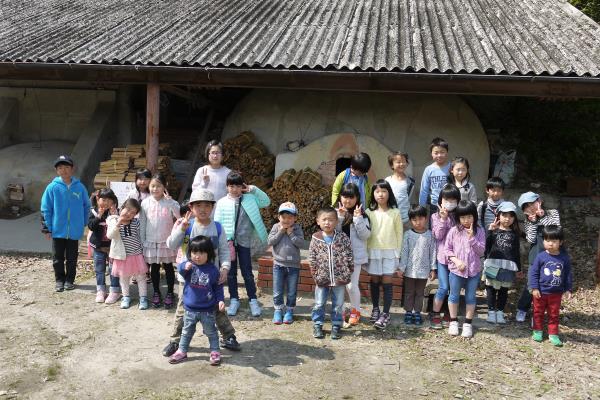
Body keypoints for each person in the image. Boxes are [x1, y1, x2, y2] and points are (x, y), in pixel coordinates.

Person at [162, 189, 240, 357]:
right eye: (198, 205)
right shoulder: (186, 225)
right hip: (189, 278)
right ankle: (175, 341)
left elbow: (225, 251)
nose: (203, 209)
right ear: (191, 207)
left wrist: (225, 268)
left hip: (212, 278)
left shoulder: (217, 228)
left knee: (217, 307)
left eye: (207, 205)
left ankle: (229, 336)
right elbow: (171, 244)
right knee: (183, 309)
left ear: (212, 207)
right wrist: (181, 229)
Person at [214, 170, 270, 317]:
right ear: (227, 187)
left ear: (242, 186)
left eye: (238, 186)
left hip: (245, 240)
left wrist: (253, 189)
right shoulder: (221, 203)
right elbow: (217, 224)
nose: (235, 189)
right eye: (231, 186)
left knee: (247, 272)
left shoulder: (250, 198)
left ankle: (253, 300)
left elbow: (266, 201)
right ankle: (234, 299)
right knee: (231, 273)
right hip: (228, 243)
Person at [169, 236, 224, 365]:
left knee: (211, 332)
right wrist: (184, 265)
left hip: (207, 310)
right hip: (190, 309)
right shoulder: (190, 267)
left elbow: (218, 287)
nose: (197, 256)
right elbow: (181, 270)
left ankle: (215, 351)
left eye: (201, 253)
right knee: (186, 331)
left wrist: (220, 300)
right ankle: (182, 351)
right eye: (194, 253)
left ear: (209, 254)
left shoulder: (213, 270)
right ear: (190, 253)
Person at [41, 155, 91, 292]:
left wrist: (84, 222)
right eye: (60, 167)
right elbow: (46, 208)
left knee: (72, 258)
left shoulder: (80, 187)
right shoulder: (52, 188)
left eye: (67, 167)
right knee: (57, 258)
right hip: (58, 230)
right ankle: (59, 280)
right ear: (56, 170)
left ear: (72, 169)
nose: (64, 170)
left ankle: (69, 280)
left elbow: (87, 206)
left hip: (74, 230)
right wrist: (47, 228)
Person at [515, 192, 561, 323]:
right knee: (531, 285)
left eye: (532, 204)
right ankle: (522, 309)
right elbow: (530, 239)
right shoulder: (528, 220)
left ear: (539, 201)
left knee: (547, 285)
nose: (530, 208)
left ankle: (538, 314)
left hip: (552, 257)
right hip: (535, 257)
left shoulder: (553, 213)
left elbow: (556, 231)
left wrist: (542, 217)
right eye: (526, 207)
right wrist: (533, 222)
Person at [309, 206, 354, 339]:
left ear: (336, 222)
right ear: (318, 221)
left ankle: (336, 326)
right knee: (319, 303)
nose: (327, 223)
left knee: (338, 304)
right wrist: (315, 273)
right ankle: (317, 325)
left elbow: (349, 253)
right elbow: (312, 257)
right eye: (324, 220)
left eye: (331, 220)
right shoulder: (316, 238)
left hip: (339, 277)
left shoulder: (342, 237)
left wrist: (349, 269)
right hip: (321, 278)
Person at [365, 179, 402, 329]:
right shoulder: (368, 212)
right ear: (373, 194)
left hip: (390, 251)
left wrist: (398, 254)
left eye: (384, 191)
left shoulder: (395, 212)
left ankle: (386, 313)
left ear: (389, 193)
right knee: (374, 280)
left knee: (387, 281)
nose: (381, 194)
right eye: (377, 191)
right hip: (373, 251)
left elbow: (399, 234)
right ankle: (375, 308)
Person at [139, 173, 180, 308]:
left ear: (164, 187)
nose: (155, 189)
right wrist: (142, 240)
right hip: (150, 241)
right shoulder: (145, 203)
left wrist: (170, 202)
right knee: (154, 268)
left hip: (166, 241)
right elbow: (143, 222)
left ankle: (170, 292)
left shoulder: (170, 202)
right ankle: (156, 292)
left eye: (158, 186)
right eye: (152, 186)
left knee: (168, 267)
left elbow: (179, 216)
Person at [445, 200, 486, 338]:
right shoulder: (454, 231)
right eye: (462, 217)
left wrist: (472, 238)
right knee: (454, 295)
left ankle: (468, 323)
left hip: (473, 270)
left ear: (474, 215)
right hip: (456, 271)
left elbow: (481, 252)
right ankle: (453, 321)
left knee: (470, 296)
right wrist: (456, 261)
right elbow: (447, 250)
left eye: (469, 216)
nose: (466, 220)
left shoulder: (479, 231)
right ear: (458, 218)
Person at [529, 225, 572, 347]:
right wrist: (534, 287)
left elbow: (568, 274)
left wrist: (568, 289)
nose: (550, 244)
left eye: (554, 241)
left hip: (556, 293)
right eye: (547, 240)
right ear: (543, 241)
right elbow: (534, 273)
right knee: (538, 312)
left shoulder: (564, 258)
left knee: (554, 314)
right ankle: (537, 331)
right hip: (540, 292)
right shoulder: (540, 256)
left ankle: (553, 334)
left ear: (561, 242)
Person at [335, 183, 371, 326]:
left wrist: (357, 219)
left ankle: (355, 311)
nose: (347, 200)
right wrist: (340, 217)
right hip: (339, 256)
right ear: (340, 197)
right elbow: (334, 233)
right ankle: (341, 311)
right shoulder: (336, 212)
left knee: (351, 286)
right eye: (345, 196)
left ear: (357, 198)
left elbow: (365, 236)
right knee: (339, 285)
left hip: (355, 257)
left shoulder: (362, 215)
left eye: (351, 197)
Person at [106, 199, 149, 310]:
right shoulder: (113, 221)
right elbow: (110, 236)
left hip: (136, 255)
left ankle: (143, 298)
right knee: (124, 278)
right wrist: (118, 223)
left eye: (133, 212)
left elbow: (141, 236)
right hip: (122, 257)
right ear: (122, 207)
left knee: (141, 277)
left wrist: (144, 250)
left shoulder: (136, 222)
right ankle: (126, 297)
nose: (129, 214)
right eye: (128, 210)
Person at [429, 184, 461, 329]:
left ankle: (449, 312)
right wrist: (443, 219)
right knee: (443, 287)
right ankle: (435, 313)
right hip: (442, 259)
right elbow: (438, 235)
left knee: (454, 288)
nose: (449, 202)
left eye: (453, 200)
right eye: (446, 199)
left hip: (457, 259)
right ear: (440, 200)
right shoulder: (435, 216)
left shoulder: (460, 216)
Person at [268, 202, 306, 325]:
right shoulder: (275, 227)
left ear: (295, 218)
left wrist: (290, 233)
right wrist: (281, 232)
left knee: (291, 290)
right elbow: (271, 241)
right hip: (278, 264)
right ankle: (278, 310)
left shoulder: (297, 228)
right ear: (279, 217)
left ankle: (289, 310)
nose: (286, 220)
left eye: (290, 217)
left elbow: (301, 243)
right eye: (284, 217)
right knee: (277, 290)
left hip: (293, 265)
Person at [483, 201, 521, 324]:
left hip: (507, 266)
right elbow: (486, 247)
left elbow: (516, 252)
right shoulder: (493, 230)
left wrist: (519, 269)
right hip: (492, 263)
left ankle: (500, 312)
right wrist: (489, 231)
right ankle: (491, 312)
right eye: (504, 215)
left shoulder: (514, 234)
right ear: (498, 215)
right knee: (490, 289)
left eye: (511, 216)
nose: (507, 219)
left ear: (514, 218)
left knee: (504, 290)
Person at [398, 205, 436, 325]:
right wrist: (401, 267)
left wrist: (433, 268)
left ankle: (417, 312)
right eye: (414, 219)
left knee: (420, 292)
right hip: (410, 269)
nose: (418, 222)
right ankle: (408, 311)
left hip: (424, 270)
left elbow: (433, 252)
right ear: (410, 221)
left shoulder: (430, 235)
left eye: (420, 219)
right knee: (409, 291)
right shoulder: (408, 234)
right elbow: (404, 252)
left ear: (426, 218)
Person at [88, 188, 121, 303]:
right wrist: (98, 216)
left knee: (114, 269)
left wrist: (114, 215)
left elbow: (119, 227)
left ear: (113, 201)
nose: (106, 203)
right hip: (99, 247)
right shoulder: (94, 211)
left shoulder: (117, 212)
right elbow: (91, 226)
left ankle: (114, 291)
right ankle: (101, 290)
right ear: (98, 199)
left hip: (113, 247)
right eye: (103, 199)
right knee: (99, 269)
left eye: (109, 200)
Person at [419, 137, 451, 214]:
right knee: (434, 226)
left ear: (447, 152)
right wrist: (422, 207)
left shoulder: (452, 167)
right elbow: (424, 189)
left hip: (450, 205)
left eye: (442, 152)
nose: (439, 155)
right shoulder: (429, 169)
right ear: (431, 154)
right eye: (436, 153)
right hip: (434, 206)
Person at [385, 151, 415, 226]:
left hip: (405, 218)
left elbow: (408, 198)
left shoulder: (410, 182)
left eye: (403, 162)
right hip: (390, 217)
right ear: (392, 165)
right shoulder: (387, 181)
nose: (401, 164)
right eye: (398, 162)